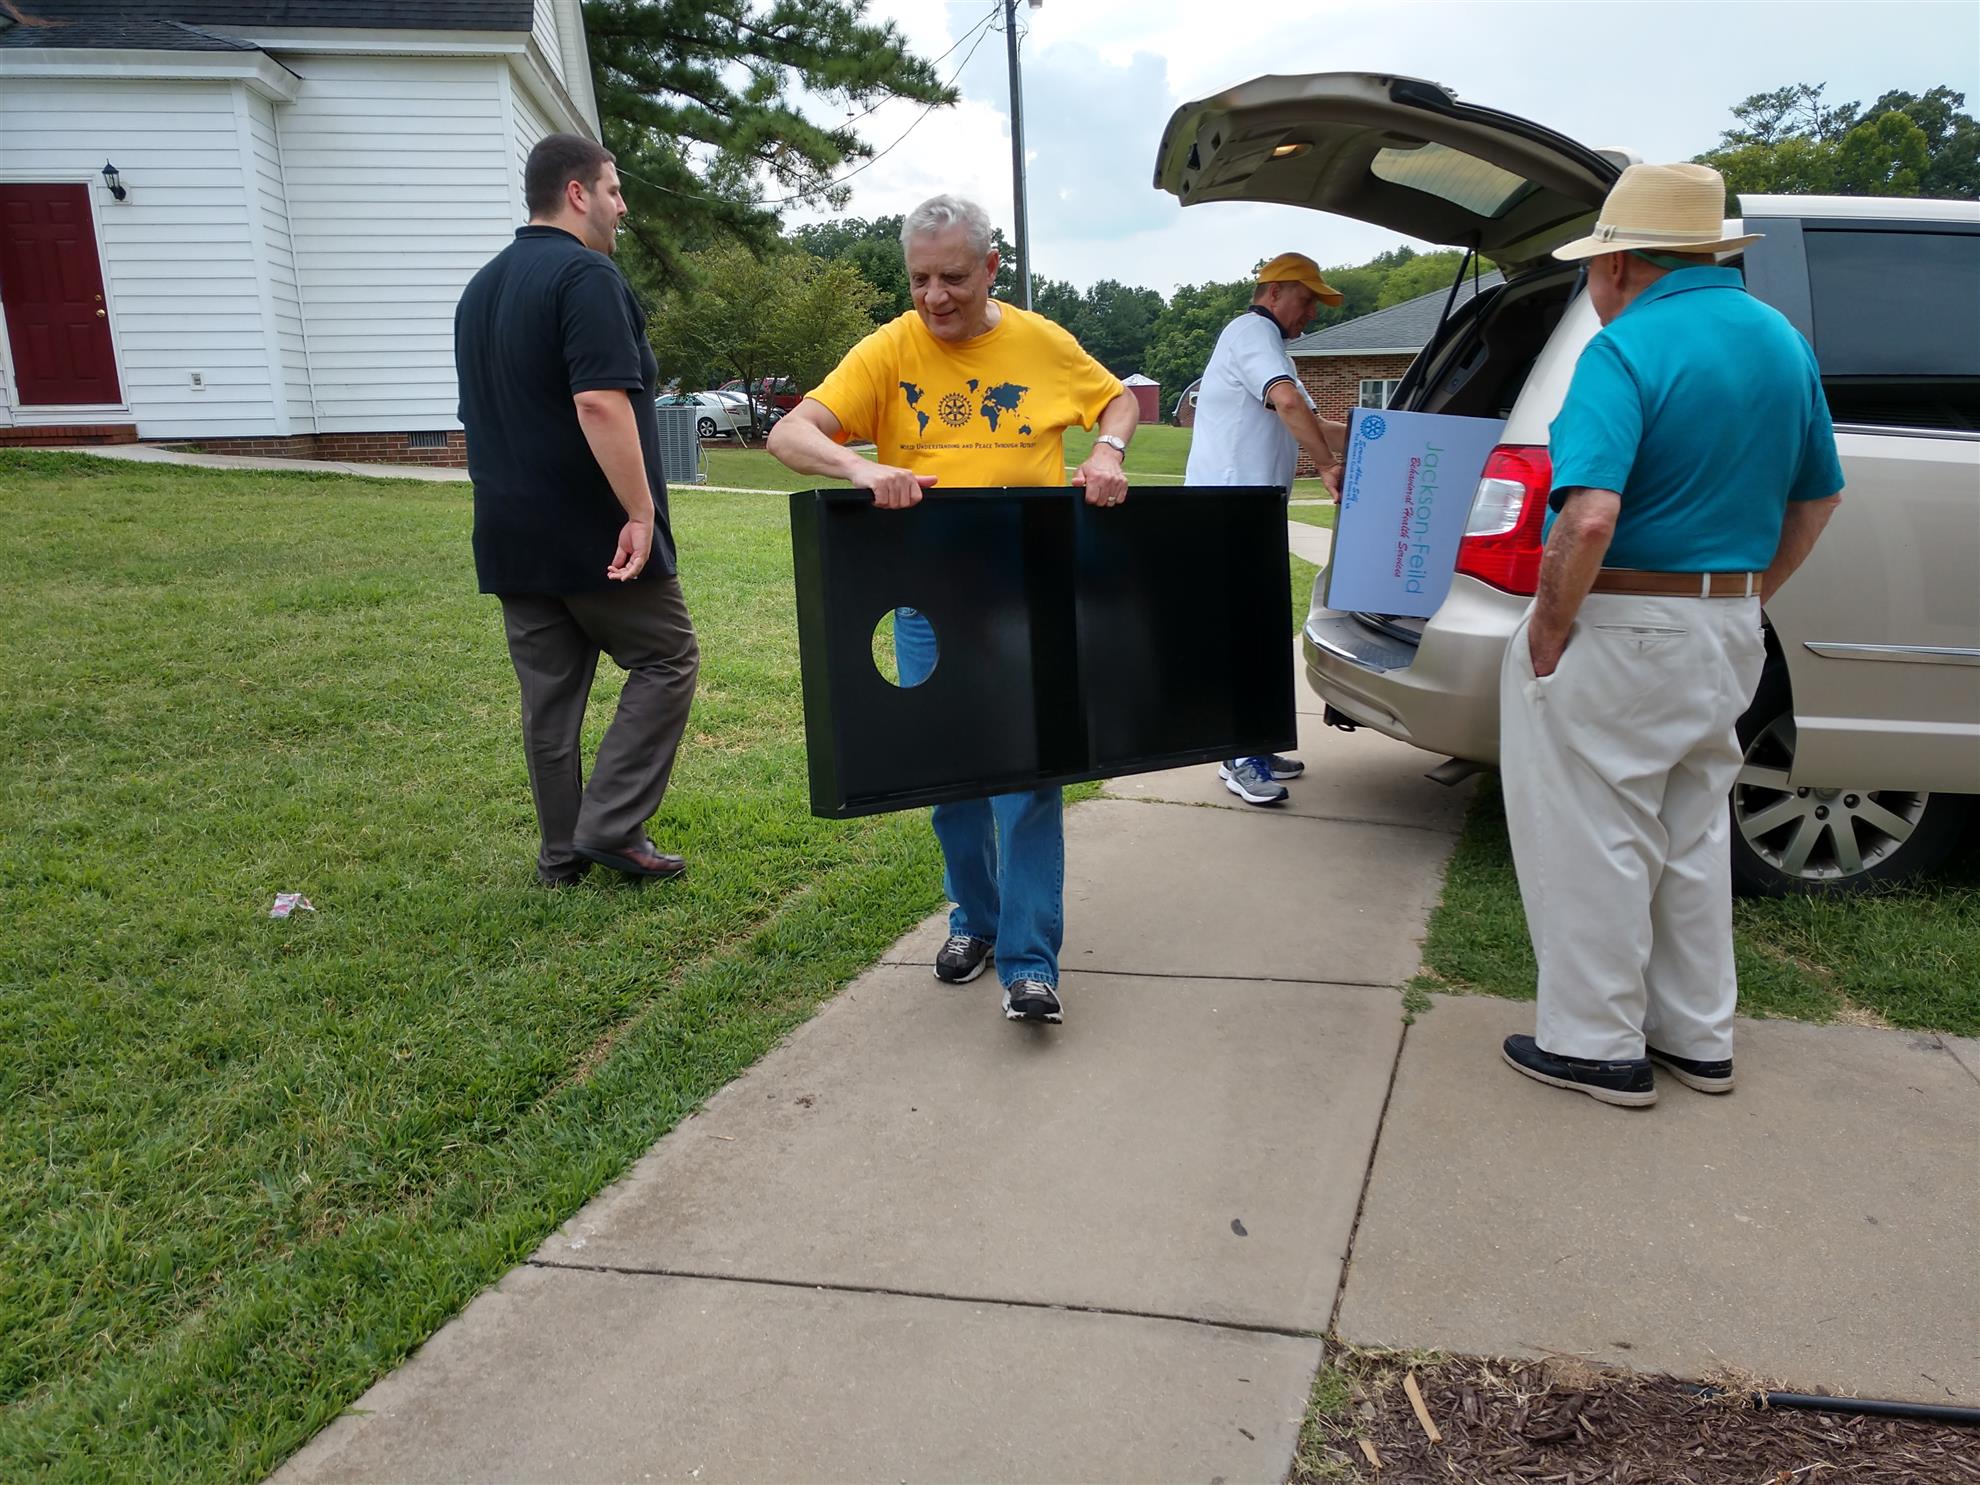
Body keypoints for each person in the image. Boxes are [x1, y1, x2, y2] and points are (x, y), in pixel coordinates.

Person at [1497, 163, 1843, 1107]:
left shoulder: (1623, 351)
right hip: (1728, 622)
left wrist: (1550, 626)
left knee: (1592, 833)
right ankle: (1698, 1037)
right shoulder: (1781, 342)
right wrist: (1746, 595)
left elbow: (1590, 515)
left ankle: (1596, 1043)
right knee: (1691, 829)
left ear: (1614, 268)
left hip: (1620, 617)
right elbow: (1820, 496)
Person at [767, 194, 1137, 1025]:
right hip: (925, 604)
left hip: (1024, 594)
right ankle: (974, 918)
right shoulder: (889, 349)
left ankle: (1031, 963)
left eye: (954, 278)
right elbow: (791, 435)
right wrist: (860, 470)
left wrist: (1108, 449)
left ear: (992, 268)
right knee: (954, 783)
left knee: (1029, 781)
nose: (934, 297)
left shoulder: (1041, 342)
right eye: (920, 279)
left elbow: (1117, 400)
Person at [454, 133, 700, 886]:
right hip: (595, 533)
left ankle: (561, 855)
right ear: (577, 193)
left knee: (550, 702)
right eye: (615, 190)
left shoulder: (480, 289)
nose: (623, 207)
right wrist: (639, 511)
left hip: (510, 535)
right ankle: (612, 828)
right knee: (667, 658)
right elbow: (598, 401)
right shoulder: (585, 277)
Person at [1184, 253, 1350, 806]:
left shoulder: (1270, 348)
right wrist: (1327, 465)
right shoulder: (1251, 332)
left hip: (1249, 512)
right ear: (1275, 292)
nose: (1312, 316)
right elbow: (1286, 403)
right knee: (1241, 633)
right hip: (1228, 512)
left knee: (1259, 629)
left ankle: (1256, 739)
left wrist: (1377, 436)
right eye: (1307, 301)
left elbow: (1307, 417)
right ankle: (1238, 755)